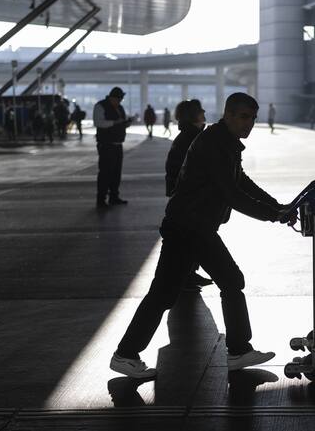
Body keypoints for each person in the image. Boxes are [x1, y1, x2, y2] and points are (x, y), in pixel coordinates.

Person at [110, 92, 297, 379]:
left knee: (183, 290)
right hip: (189, 228)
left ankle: (237, 350)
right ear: (229, 114)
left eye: (253, 118)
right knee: (188, 289)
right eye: (244, 117)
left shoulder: (225, 142)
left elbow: (241, 181)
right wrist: (274, 214)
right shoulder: (214, 144)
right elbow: (232, 193)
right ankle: (127, 354)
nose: (249, 123)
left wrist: (277, 206)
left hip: (195, 226)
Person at [165, 99, 214, 291]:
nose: (204, 112)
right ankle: (184, 277)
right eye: (200, 110)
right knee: (191, 237)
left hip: (185, 195)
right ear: (193, 115)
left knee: (190, 236)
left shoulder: (189, 135)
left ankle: (189, 273)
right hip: (189, 197)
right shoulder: (193, 138)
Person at [94, 87, 133, 209]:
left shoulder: (120, 108)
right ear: (112, 98)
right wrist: (115, 122)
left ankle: (114, 196)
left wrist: (126, 123)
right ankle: (101, 199)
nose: (119, 102)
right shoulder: (100, 106)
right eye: (118, 99)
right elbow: (98, 123)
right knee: (105, 172)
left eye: (121, 99)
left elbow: (120, 123)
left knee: (116, 172)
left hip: (118, 144)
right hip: (106, 144)